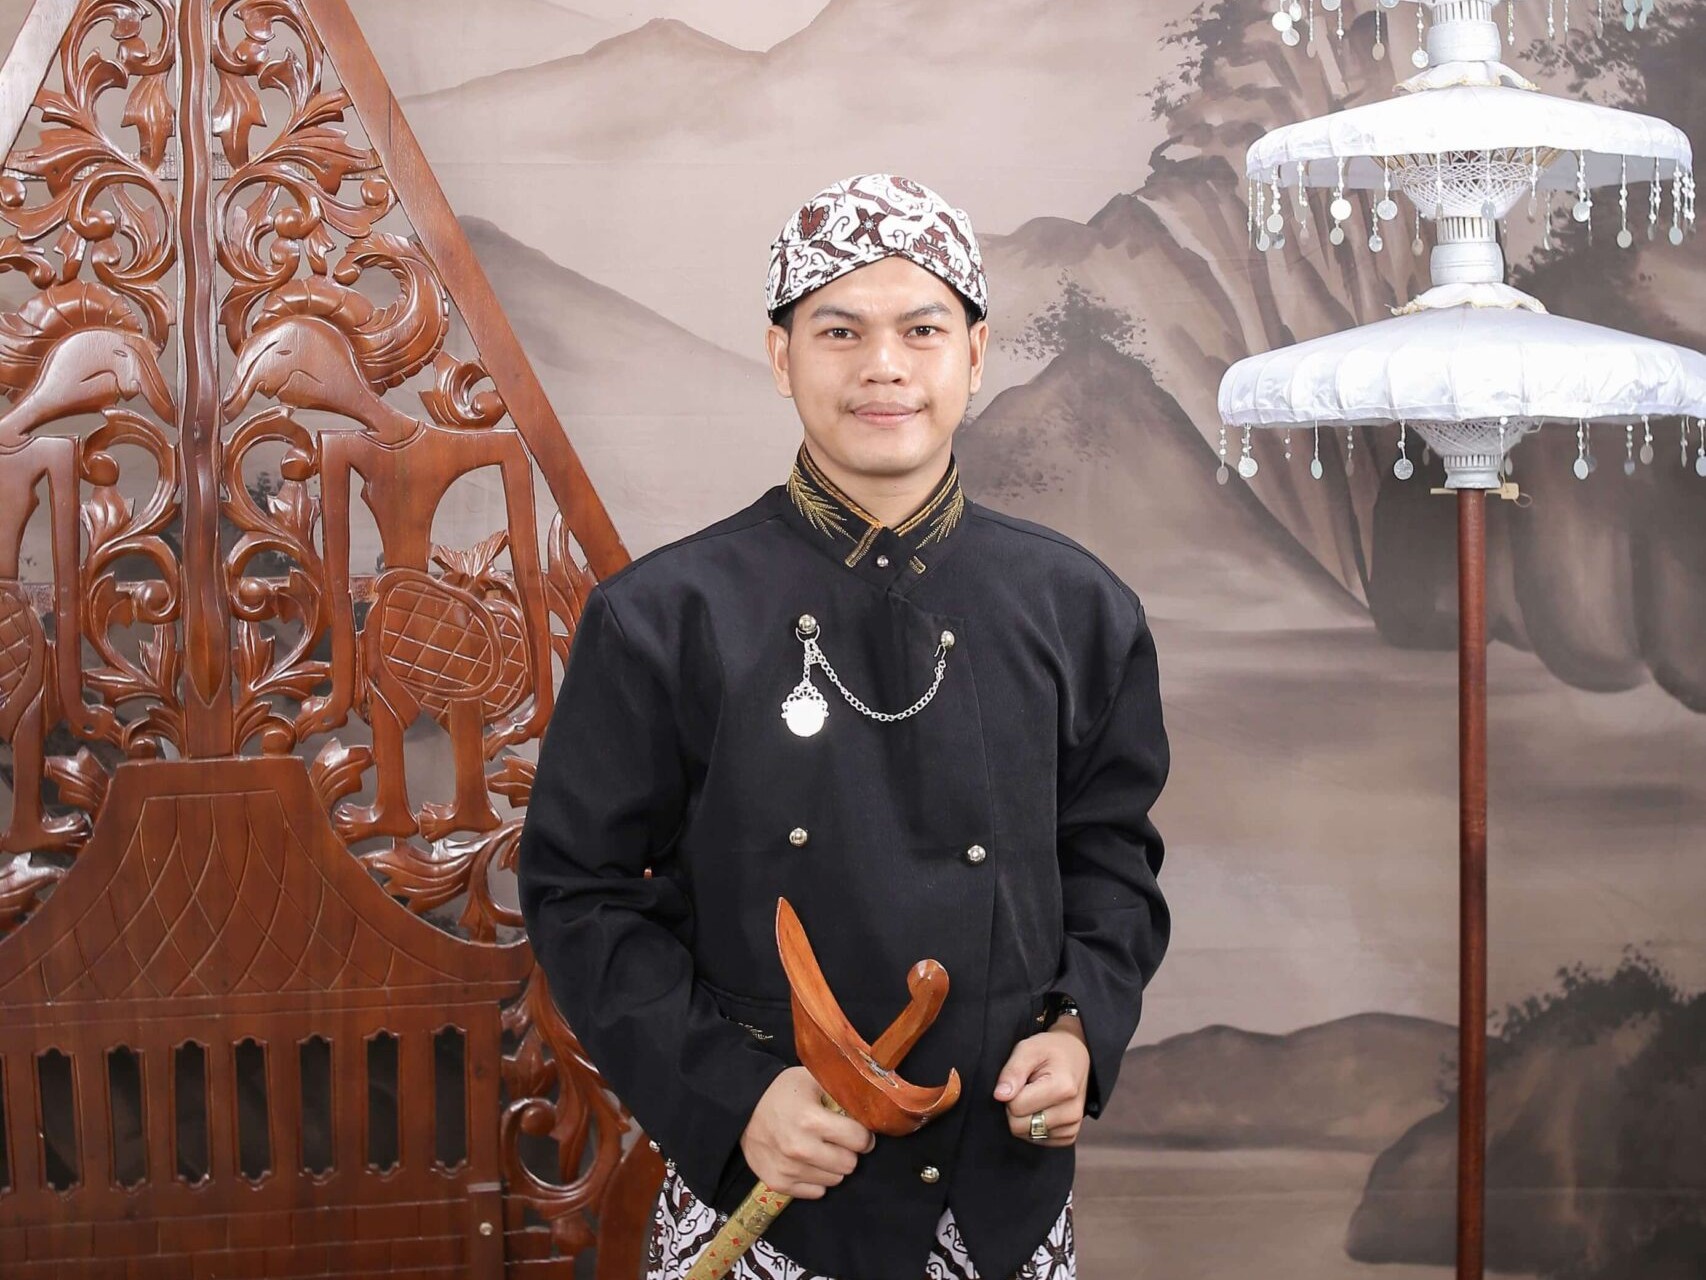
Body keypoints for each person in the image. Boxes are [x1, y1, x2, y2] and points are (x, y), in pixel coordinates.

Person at [518, 173, 1171, 1280]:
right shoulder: (664, 617)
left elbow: (1111, 857)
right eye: (839, 331)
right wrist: (736, 1096)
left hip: (999, 1193)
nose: (883, 366)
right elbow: (579, 893)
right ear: (781, 357)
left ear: (974, 353)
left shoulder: (1078, 606)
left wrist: (1078, 1031)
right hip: (774, 1185)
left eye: (922, 329)